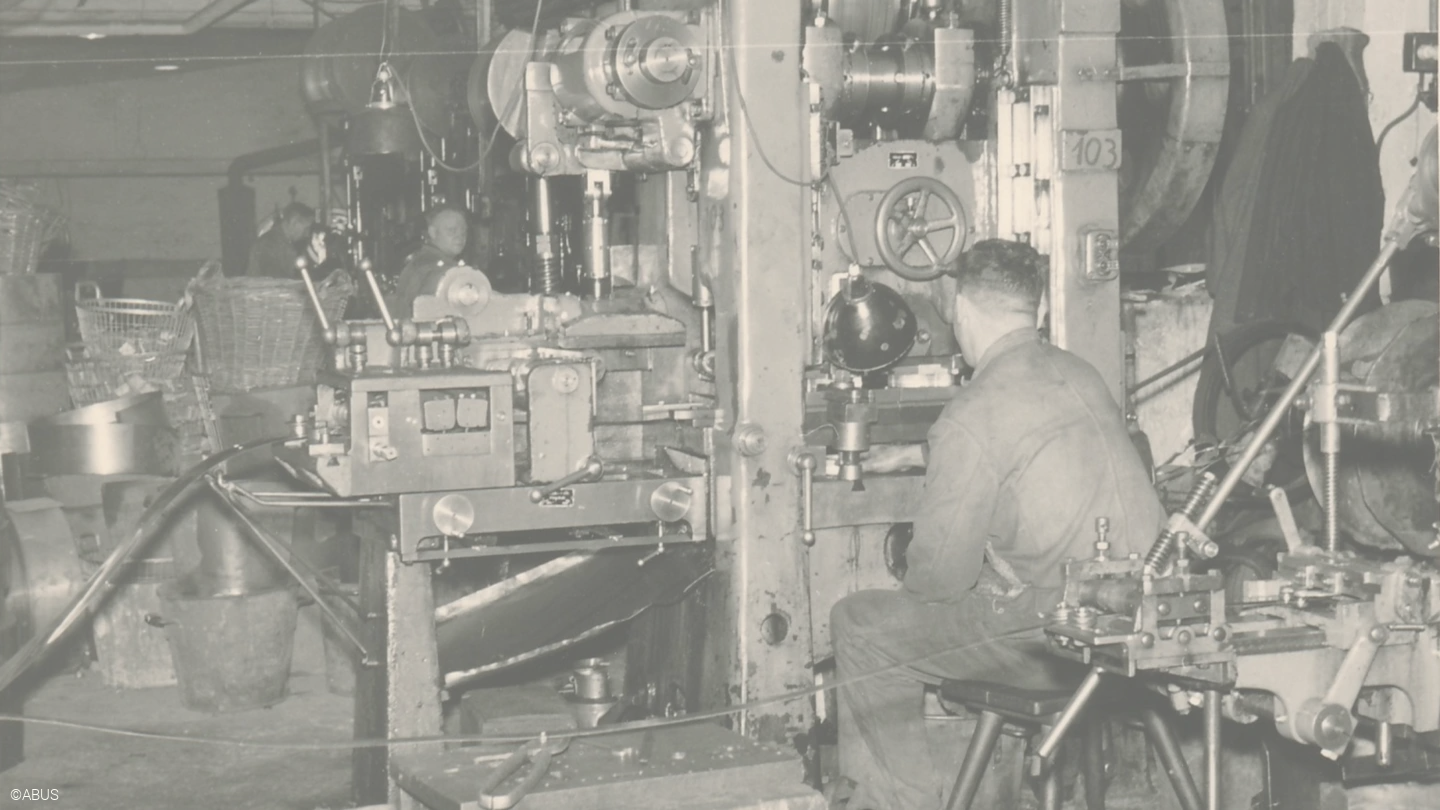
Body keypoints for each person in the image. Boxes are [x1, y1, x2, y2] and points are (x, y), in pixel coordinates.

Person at [830, 239, 1164, 810]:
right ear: (1033, 308)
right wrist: (921, 454)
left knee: (861, 625)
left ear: (958, 307)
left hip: (1056, 638)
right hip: (1145, 615)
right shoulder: (1077, 372)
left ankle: (908, 803)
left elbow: (938, 582)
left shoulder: (972, 413)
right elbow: (1028, 446)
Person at [393, 205, 471, 310]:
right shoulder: (435, 269)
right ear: (433, 232)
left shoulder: (421, 260)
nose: (460, 236)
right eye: (452, 230)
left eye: (464, 231)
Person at [247, 202, 321, 278]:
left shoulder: (284, 242)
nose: (307, 234)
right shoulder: (270, 244)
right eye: (306, 228)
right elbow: (277, 280)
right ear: (294, 221)